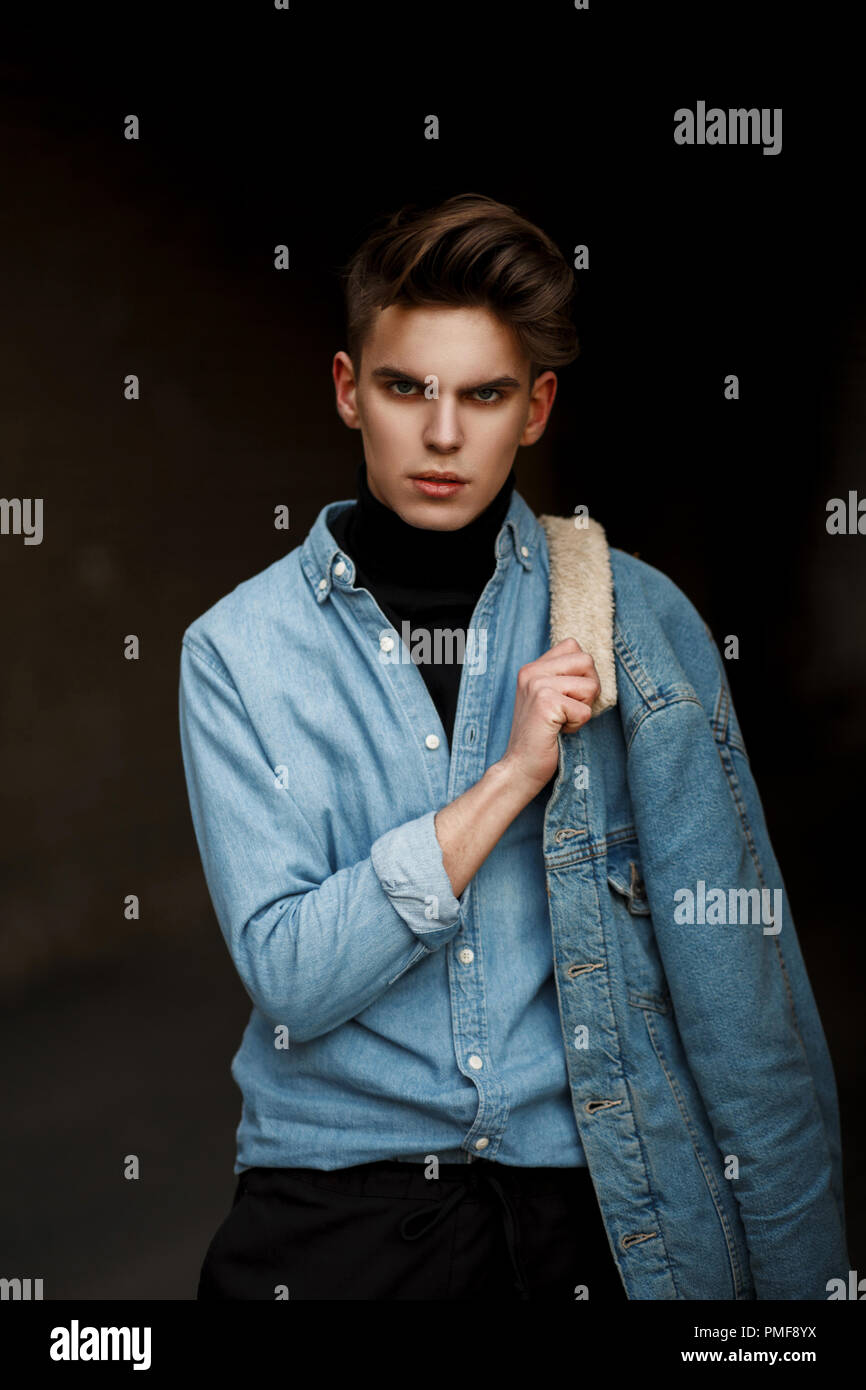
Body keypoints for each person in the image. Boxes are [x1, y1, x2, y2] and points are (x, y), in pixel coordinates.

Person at [179, 194, 849, 1301]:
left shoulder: (635, 627)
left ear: (534, 409)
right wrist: (510, 778)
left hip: (593, 1206)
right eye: (407, 389)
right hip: (331, 1206)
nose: (442, 436)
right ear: (349, 389)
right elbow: (291, 975)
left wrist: (798, 1299)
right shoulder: (238, 652)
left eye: (484, 395)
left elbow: (743, 1006)